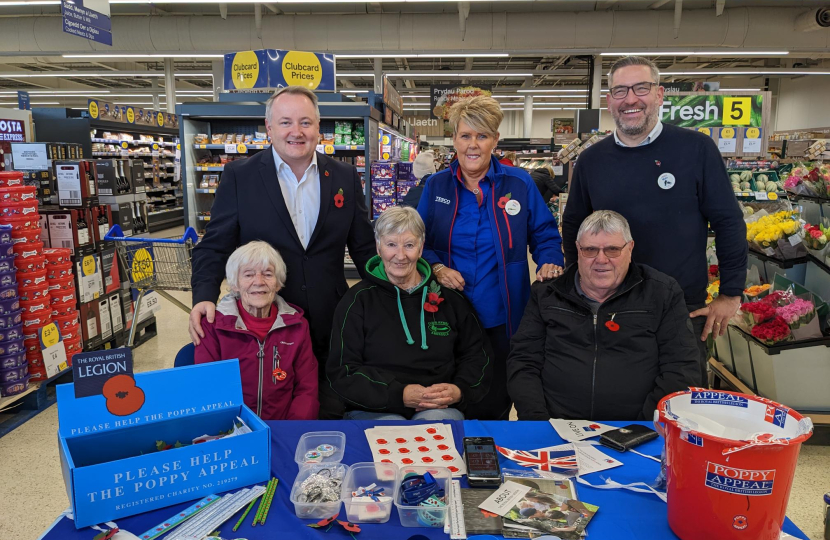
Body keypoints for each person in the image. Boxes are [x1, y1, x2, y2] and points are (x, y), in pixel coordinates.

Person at [189, 86, 376, 418]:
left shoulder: (345, 176)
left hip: (331, 318)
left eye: (306, 122)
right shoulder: (240, 176)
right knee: (274, 405)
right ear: (269, 127)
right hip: (267, 319)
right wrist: (203, 294)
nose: (296, 132)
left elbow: (363, 247)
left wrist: (389, 294)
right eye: (286, 122)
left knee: (328, 404)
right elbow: (215, 244)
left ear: (319, 128)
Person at [561, 56, 747, 385]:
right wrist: (578, 289)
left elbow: (729, 222)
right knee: (615, 404)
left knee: (681, 409)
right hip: (610, 307)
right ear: (609, 101)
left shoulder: (696, 149)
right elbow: (574, 228)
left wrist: (731, 294)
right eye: (620, 91)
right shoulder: (591, 160)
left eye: (641, 88)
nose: (630, 99)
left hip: (681, 310)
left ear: (659, 94)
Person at [417, 95, 564, 420]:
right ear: (454, 138)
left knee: (497, 392)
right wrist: (437, 267)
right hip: (446, 312)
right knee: (451, 393)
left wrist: (550, 259)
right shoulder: (437, 185)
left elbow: (543, 232)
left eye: (482, 136)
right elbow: (416, 240)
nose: (473, 145)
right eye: (465, 135)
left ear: (495, 140)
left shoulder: (519, 184)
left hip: (503, 311)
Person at [508, 210, 700, 421]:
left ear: (630, 248)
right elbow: (524, 362)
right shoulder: (547, 293)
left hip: (639, 428)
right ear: (577, 250)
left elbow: (681, 368)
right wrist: (538, 423)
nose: (601, 259)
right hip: (556, 425)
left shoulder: (662, 292)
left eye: (612, 250)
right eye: (590, 250)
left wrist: (644, 426)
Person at [326, 206, 493, 421]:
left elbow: (477, 355)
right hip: (376, 408)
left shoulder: (451, 299)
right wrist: (399, 394)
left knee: (439, 425)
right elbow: (343, 371)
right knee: (392, 429)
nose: (401, 255)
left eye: (409, 245)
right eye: (391, 245)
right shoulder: (357, 301)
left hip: (438, 407)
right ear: (378, 248)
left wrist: (459, 390)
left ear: (421, 248)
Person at [195, 241, 318, 420]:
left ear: (278, 284)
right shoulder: (212, 326)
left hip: (283, 427)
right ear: (235, 283)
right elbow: (207, 387)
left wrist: (293, 431)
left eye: (268, 274)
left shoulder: (297, 326)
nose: (258, 282)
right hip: (232, 428)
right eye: (248, 275)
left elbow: (307, 388)